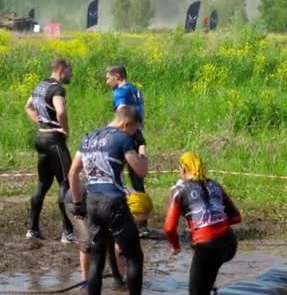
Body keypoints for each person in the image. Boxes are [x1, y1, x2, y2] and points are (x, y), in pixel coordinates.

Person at [68, 106, 148, 295]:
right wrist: (142, 153)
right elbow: (140, 170)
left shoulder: (88, 138)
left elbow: (73, 172)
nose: (134, 134)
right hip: (114, 202)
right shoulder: (122, 138)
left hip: (92, 202)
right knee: (134, 256)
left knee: (97, 258)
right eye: (135, 129)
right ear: (127, 123)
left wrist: (78, 203)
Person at [164, 152, 240, 295]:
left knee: (196, 291)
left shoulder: (179, 190)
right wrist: (216, 224)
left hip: (208, 246)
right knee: (209, 273)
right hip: (230, 243)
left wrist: (175, 247)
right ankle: (210, 285)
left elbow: (169, 228)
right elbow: (236, 217)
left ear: (183, 168)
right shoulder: (216, 185)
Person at [24, 58, 75, 242]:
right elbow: (60, 111)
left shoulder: (40, 85)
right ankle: (68, 232)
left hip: (41, 138)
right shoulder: (57, 88)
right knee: (65, 184)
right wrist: (64, 129)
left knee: (43, 184)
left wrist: (43, 124)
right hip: (54, 141)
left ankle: (33, 229)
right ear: (62, 69)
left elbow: (28, 106)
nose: (71, 74)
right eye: (69, 70)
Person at [105, 65, 150, 237]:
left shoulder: (120, 92)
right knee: (138, 181)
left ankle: (116, 220)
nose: (107, 82)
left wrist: (111, 132)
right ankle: (142, 224)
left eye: (109, 77)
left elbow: (122, 113)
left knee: (114, 176)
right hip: (138, 133)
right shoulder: (136, 90)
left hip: (124, 135)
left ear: (117, 75)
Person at [64, 183, 126, 290]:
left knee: (114, 239)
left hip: (97, 205)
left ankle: (119, 277)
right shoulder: (99, 193)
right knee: (87, 240)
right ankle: (85, 281)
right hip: (75, 204)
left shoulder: (120, 197)